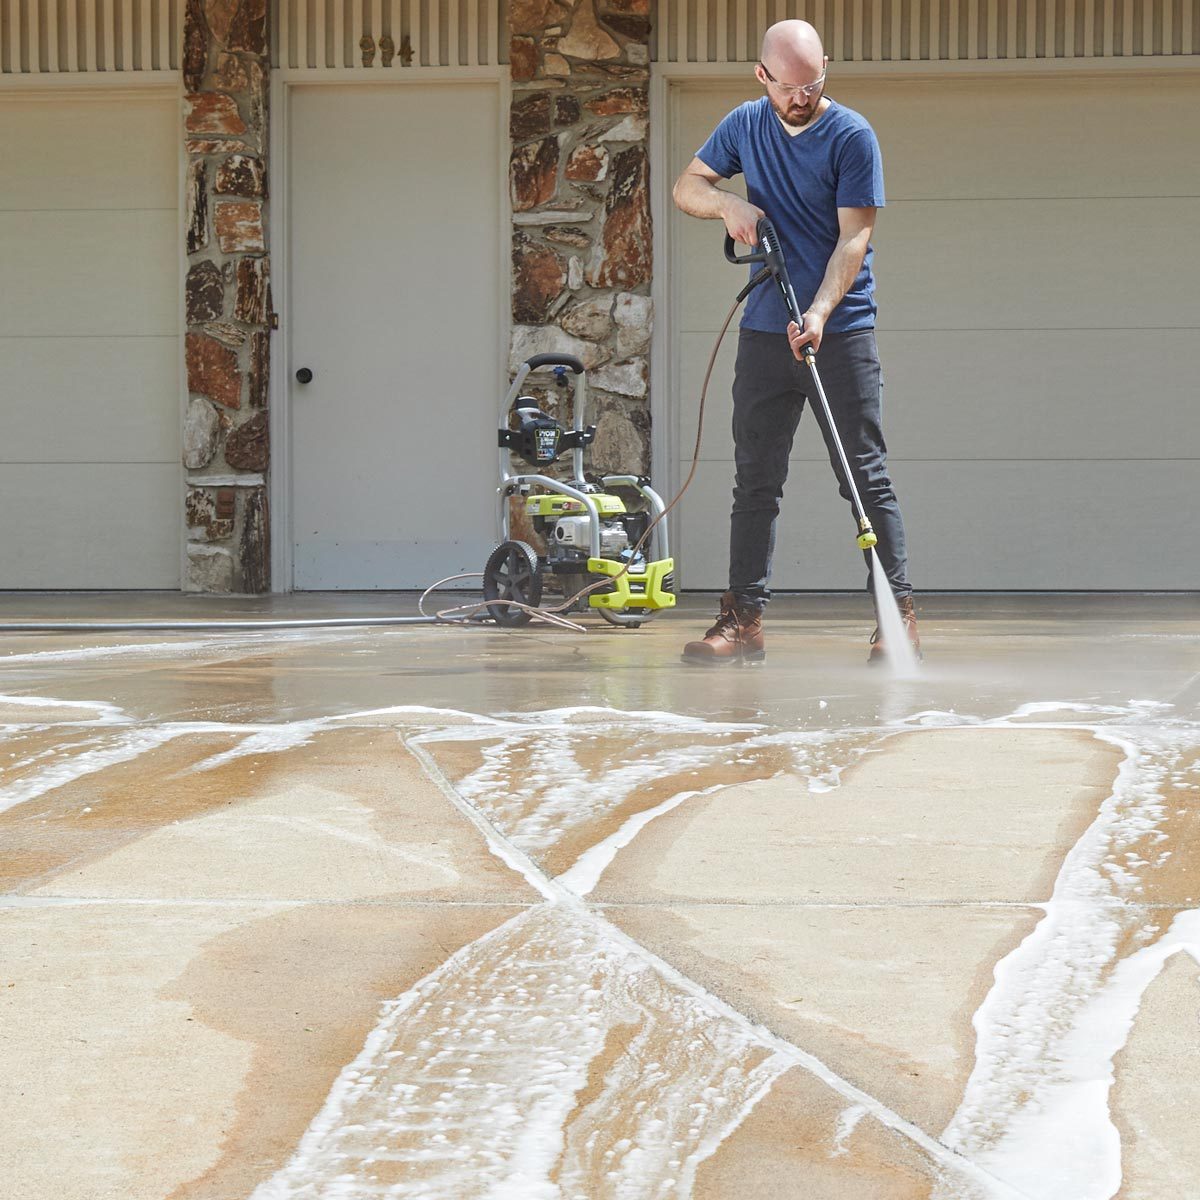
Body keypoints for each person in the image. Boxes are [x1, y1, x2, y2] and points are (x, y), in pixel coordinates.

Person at [672, 19, 920, 666]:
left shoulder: (851, 136)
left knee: (864, 477)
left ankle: (897, 620)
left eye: (813, 84)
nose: (802, 98)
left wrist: (819, 310)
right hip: (763, 330)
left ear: (824, 71)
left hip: (840, 331)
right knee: (755, 478)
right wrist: (728, 206)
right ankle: (743, 619)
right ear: (763, 78)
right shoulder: (745, 124)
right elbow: (686, 187)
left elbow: (854, 239)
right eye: (789, 88)